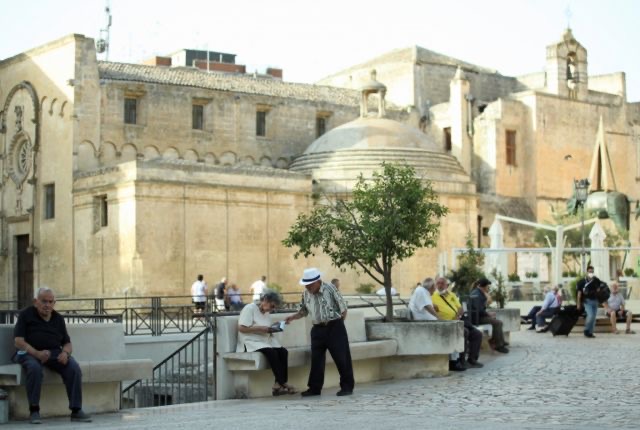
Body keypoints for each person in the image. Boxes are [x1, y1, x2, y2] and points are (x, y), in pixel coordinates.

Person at [13, 287, 92, 424]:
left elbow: (67, 343)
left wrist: (65, 353)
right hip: (29, 352)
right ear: (35, 301)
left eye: (51, 302)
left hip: (53, 353)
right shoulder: (26, 315)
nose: (47, 305)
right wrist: (37, 353)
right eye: (44, 301)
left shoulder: (58, 319)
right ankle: (34, 410)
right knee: (34, 368)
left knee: (73, 367)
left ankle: (76, 410)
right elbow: (18, 341)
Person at [285, 268, 354, 397]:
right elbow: (304, 311)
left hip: (334, 326)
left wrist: (339, 326)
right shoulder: (306, 294)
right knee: (316, 359)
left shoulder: (330, 288)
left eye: (310, 284)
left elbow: (343, 308)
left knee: (341, 358)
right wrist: (293, 317)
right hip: (317, 329)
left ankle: (347, 386)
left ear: (318, 281)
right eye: (306, 284)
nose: (308, 287)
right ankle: (314, 388)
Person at [237, 290, 296, 396]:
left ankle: (277, 384)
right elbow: (241, 328)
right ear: (265, 300)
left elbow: (266, 326)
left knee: (283, 352)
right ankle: (283, 383)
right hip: (251, 340)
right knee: (271, 352)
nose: (272, 309)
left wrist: (278, 324)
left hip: (264, 339)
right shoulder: (249, 309)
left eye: (274, 308)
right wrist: (260, 329)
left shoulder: (266, 312)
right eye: (272, 306)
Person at [432, 277, 483, 369]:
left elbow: (460, 308)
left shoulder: (451, 295)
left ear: (446, 285)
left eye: (442, 283)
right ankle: (461, 361)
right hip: (446, 323)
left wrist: (457, 317)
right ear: (435, 285)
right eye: (438, 283)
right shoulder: (432, 296)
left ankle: (472, 359)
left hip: (458, 320)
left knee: (477, 334)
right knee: (464, 332)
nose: (440, 285)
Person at [469, 278, 509, 353]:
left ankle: (498, 341)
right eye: (488, 286)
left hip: (479, 316)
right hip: (476, 318)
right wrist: (488, 314)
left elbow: (480, 308)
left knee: (498, 321)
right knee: (498, 323)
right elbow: (479, 310)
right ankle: (498, 345)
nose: (488, 288)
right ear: (483, 286)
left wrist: (488, 313)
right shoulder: (477, 294)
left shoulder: (479, 292)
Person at [576, 266, 600, 338]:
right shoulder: (581, 282)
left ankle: (590, 332)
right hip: (587, 301)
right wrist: (578, 304)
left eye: (592, 271)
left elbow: (599, 290)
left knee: (593, 317)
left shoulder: (596, 280)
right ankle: (586, 330)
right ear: (586, 272)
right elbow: (579, 294)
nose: (591, 273)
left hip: (595, 301)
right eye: (589, 271)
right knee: (590, 315)